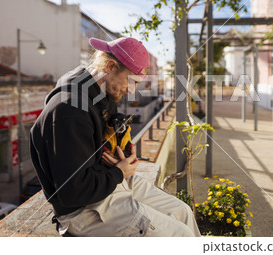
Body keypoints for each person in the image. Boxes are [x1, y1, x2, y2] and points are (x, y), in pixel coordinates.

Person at [29, 36, 200, 237]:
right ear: (110, 66)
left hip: (109, 183)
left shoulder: (100, 94)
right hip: (83, 210)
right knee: (181, 235)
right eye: (132, 81)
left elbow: (97, 148)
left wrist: (123, 153)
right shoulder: (70, 110)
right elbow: (72, 192)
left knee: (183, 212)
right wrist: (119, 172)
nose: (132, 90)